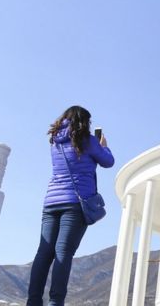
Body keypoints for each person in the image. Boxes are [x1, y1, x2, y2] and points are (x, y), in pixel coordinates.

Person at [27, 106, 115, 306]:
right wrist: (104, 146)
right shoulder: (88, 140)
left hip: (51, 202)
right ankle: (55, 302)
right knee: (63, 252)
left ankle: (33, 302)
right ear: (84, 122)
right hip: (75, 202)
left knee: (43, 253)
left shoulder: (55, 141)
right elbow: (108, 162)